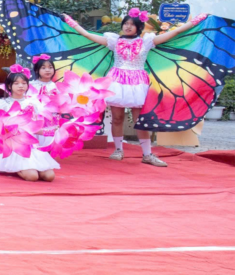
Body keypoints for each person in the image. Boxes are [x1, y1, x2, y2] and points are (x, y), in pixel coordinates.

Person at [64, 9, 205, 167]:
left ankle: (147, 154)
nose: (128, 26)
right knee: (117, 118)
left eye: (132, 24)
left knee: (140, 121)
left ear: (139, 27)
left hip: (138, 83)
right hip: (117, 81)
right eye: (126, 23)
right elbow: (87, 35)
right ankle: (118, 150)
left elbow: (176, 32)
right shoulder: (114, 41)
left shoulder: (147, 41)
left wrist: (196, 21)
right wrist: (71, 22)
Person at [0, 69, 59, 182]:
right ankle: (14, 168)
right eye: (16, 83)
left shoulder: (33, 103)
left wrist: (52, 131)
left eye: (24, 83)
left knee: (49, 177)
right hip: (13, 145)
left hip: (30, 144)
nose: (21, 86)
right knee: (32, 177)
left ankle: (25, 167)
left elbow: (33, 128)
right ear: (9, 86)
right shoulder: (2, 104)